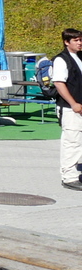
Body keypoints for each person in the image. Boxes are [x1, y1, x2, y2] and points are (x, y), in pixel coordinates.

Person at [51, 28, 82, 190]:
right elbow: (59, 83)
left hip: (79, 107)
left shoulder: (79, 57)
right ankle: (69, 177)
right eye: (76, 40)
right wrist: (73, 103)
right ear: (66, 42)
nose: (80, 43)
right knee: (72, 142)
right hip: (70, 109)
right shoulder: (61, 60)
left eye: (80, 40)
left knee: (77, 142)